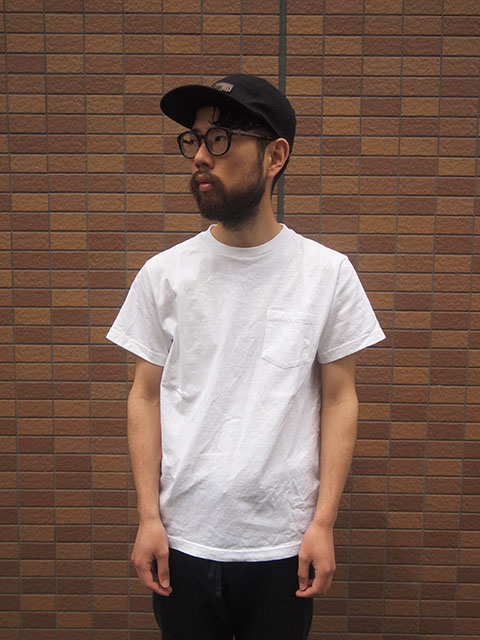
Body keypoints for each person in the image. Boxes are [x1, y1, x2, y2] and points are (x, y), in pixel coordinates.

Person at [107, 74, 385, 640]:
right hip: (182, 540)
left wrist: (324, 523)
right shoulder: (165, 275)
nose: (200, 157)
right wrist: (148, 517)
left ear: (275, 156)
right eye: (194, 140)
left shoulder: (326, 274)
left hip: (282, 545)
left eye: (220, 139)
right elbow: (144, 395)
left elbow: (340, 399)